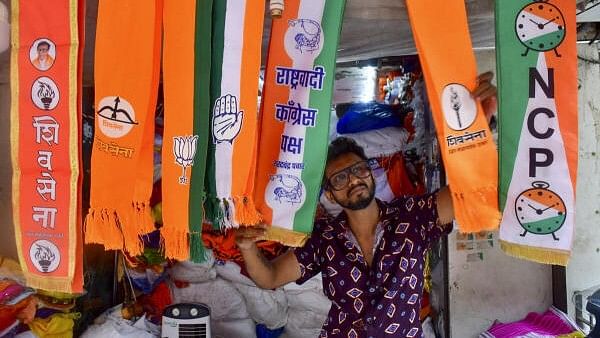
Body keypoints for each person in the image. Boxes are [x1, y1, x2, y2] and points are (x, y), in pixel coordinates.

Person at [235, 72, 497, 337]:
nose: (353, 180)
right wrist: (246, 247)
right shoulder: (325, 240)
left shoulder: (412, 217)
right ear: (329, 195)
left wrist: (482, 130)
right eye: (339, 178)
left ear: (371, 173)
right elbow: (269, 277)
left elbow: (469, 193)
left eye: (359, 169)